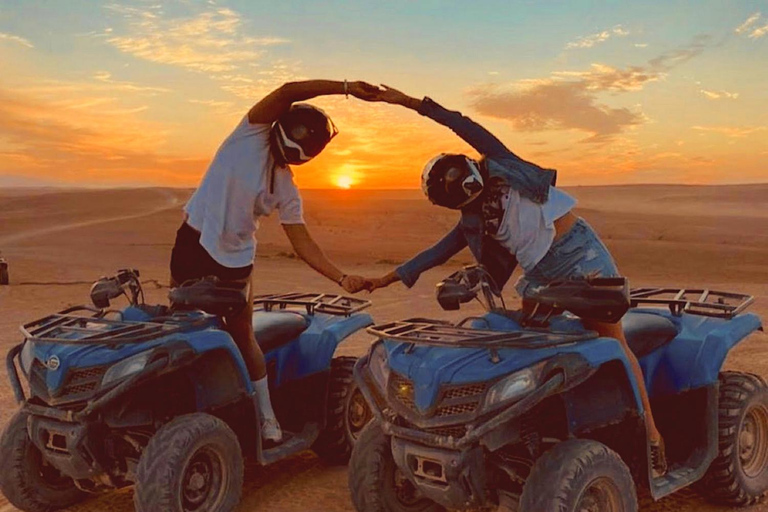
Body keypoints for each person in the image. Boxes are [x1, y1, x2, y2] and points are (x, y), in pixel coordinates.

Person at [366, 85, 667, 476]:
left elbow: (461, 123)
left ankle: (652, 434)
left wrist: (409, 102)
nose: (467, 187)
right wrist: (386, 278)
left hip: (580, 255)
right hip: (539, 274)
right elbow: (436, 253)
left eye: (464, 177)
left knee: (613, 339)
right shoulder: (472, 220)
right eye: (456, 190)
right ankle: (539, 429)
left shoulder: (501, 162)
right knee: (525, 340)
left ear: (471, 166)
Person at [170, 80, 379, 443]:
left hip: (235, 264)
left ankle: (266, 417)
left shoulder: (286, 186)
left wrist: (340, 277)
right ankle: (180, 408)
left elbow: (301, 241)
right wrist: (345, 87)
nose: (299, 152)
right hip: (193, 243)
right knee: (179, 327)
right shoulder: (250, 133)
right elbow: (287, 90)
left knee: (242, 335)